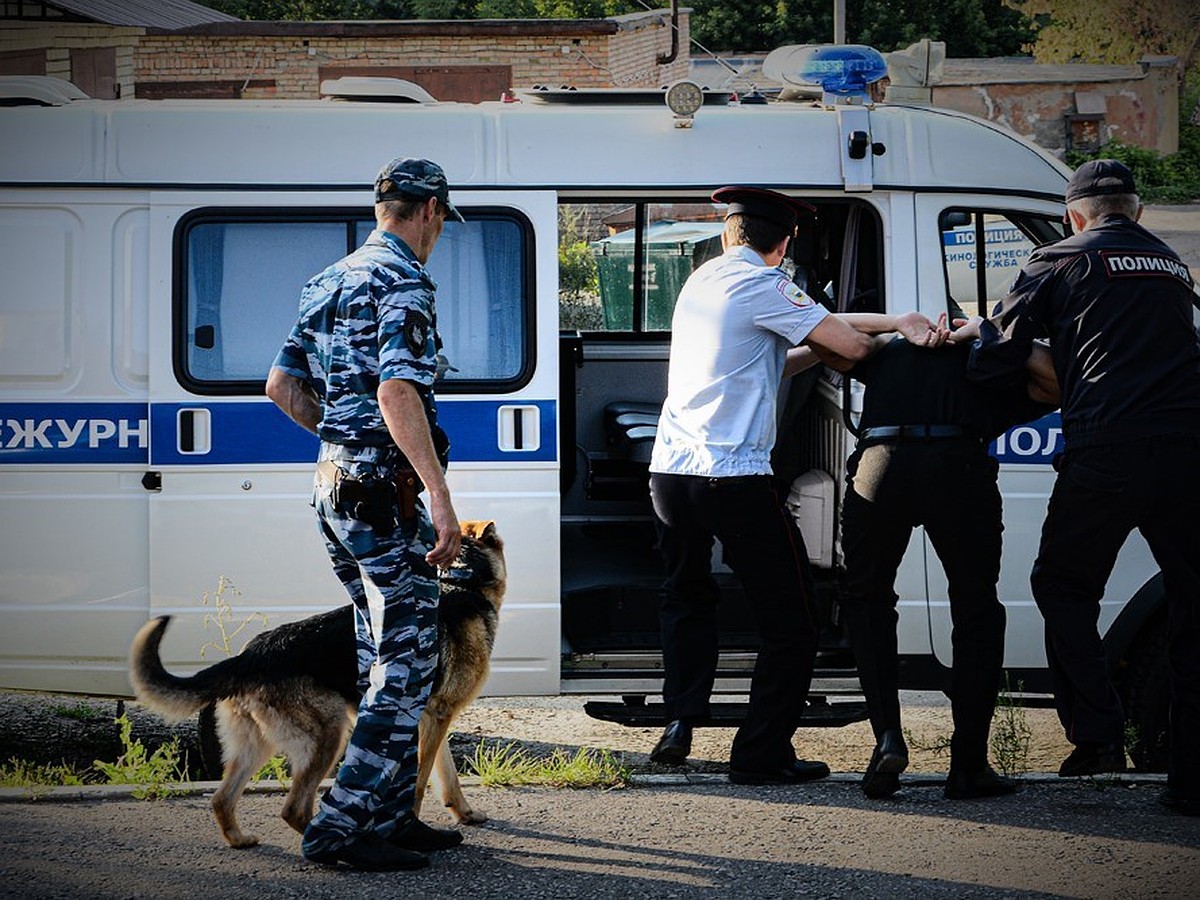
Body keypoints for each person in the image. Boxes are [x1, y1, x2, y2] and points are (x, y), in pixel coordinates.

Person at [646, 185, 945, 783]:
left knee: (688, 594)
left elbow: (774, 357)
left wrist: (892, 321)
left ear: (729, 233)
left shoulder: (701, 281)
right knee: (794, 621)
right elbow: (849, 347)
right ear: (783, 246)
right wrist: (891, 334)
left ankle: (680, 719)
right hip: (731, 477)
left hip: (670, 475)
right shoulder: (765, 284)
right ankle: (760, 754)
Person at [266, 157, 468, 869]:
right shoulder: (402, 280)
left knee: (378, 647)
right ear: (431, 211)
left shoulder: (330, 278)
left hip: (334, 489)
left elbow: (280, 387)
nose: (439, 231)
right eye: (441, 220)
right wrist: (438, 495)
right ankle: (340, 826)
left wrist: (339, 445)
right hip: (382, 496)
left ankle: (389, 817)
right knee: (407, 665)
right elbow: (397, 393)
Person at [986, 159, 1200, 815]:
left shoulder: (1058, 257)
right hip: (1189, 452)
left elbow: (1001, 343)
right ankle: (1190, 779)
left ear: (1074, 213)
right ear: (1136, 212)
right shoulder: (1174, 265)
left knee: (1062, 585)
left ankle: (1098, 736)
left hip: (1106, 448)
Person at [837, 313, 1056, 801]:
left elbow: (828, 332)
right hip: (957, 468)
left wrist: (895, 325)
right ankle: (969, 765)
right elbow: (1054, 386)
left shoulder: (886, 353)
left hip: (880, 463)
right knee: (976, 608)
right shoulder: (991, 361)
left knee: (867, 599)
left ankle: (887, 740)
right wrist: (990, 332)